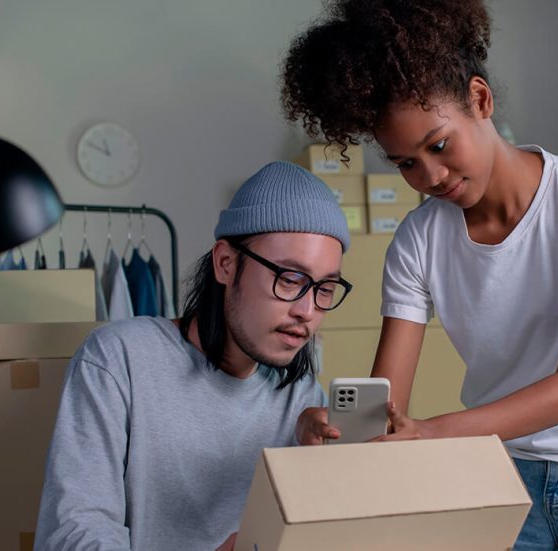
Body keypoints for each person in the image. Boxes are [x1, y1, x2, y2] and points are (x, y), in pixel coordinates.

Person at [281, 1, 558, 549]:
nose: (430, 175)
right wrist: (339, 429)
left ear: (480, 99)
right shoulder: (418, 241)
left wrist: (429, 433)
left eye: (438, 145)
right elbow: (386, 399)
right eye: (405, 163)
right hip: (501, 472)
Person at [34, 161, 353, 551]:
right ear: (225, 263)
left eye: (325, 288)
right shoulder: (119, 359)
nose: (307, 310)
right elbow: (72, 532)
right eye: (289, 279)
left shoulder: (301, 393)